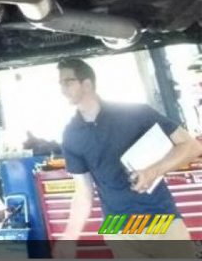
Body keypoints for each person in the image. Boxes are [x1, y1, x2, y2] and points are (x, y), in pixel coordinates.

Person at [54, 57, 202, 259]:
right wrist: (69, 236)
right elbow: (83, 192)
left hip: (159, 218)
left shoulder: (136, 114)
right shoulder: (71, 135)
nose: (62, 89)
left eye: (68, 82)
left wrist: (154, 170)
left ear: (87, 84)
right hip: (118, 228)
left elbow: (191, 145)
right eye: (61, 83)